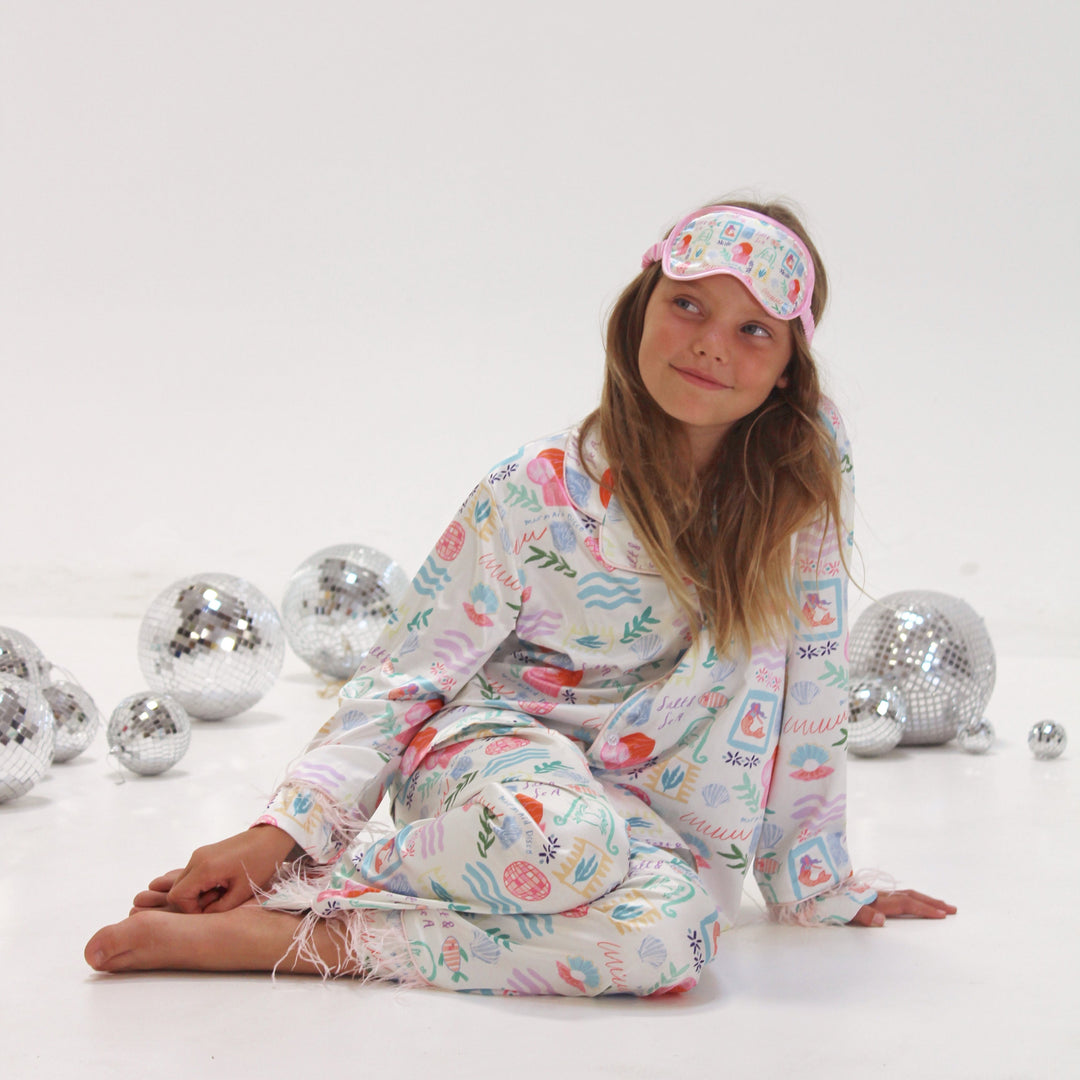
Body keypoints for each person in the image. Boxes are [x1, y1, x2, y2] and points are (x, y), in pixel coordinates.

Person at [85, 199, 955, 995]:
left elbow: (812, 678)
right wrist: (283, 837)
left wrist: (814, 875)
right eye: (687, 304)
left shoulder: (795, 487)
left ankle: (325, 938)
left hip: (641, 796)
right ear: (639, 311)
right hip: (492, 756)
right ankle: (304, 893)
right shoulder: (536, 491)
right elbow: (405, 679)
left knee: (677, 940)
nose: (710, 344)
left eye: (754, 329)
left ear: (787, 374)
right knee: (566, 840)